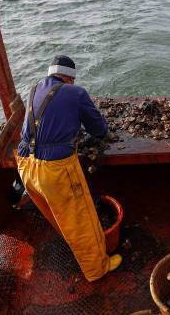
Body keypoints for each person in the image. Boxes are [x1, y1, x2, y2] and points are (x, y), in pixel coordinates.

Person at [16, 55, 122, 282]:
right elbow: (98, 128)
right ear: (69, 78)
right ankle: (98, 269)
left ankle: (72, 248)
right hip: (55, 171)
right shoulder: (76, 93)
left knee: (59, 219)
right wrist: (103, 132)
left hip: (25, 165)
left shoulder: (34, 89)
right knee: (80, 221)